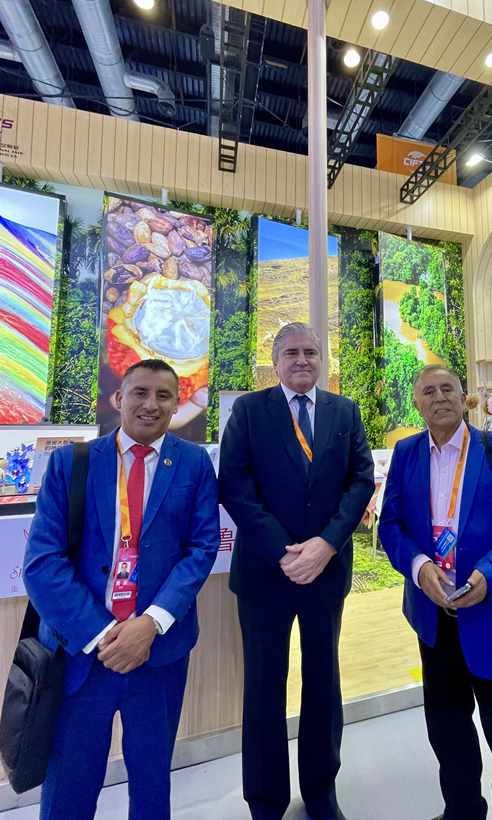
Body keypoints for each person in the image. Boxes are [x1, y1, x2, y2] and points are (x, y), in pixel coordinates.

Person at [24, 359, 220, 820]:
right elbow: (41, 562)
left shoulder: (192, 463)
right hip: (81, 656)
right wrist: (103, 635)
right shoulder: (70, 464)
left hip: (158, 655)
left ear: (176, 405)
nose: (150, 405)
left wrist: (149, 625)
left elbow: (202, 547)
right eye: (140, 392)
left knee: (152, 787)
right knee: (69, 788)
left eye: (163, 396)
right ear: (119, 398)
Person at [378, 365, 492, 820]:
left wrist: (490, 575)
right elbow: (392, 525)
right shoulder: (406, 454)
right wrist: (419, 568)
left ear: (464, 398)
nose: (439, 397)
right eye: (428, 391)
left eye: (448, 389)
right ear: (416, 404)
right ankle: (462, 811)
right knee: (449, 736)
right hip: (435, 626)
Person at [219, 322, 374, 820]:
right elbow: (236, 486)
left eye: (311, 351)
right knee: (264, 686)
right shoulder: (248, 410)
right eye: (292, 352)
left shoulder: (344, 411)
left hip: (326, 573)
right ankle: (265, 799)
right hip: (267, 574)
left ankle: (321, 790)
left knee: (323, 681)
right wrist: (285, 553)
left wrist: (327, 544)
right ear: (276, 360)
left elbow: (360, 480)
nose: (303, 360)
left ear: (321, 358)